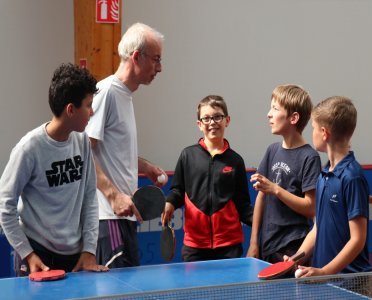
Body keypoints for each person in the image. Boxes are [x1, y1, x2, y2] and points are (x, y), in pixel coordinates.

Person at [0, 63, 108, 275]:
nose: (92, 111)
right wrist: (27, 254)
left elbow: (89, 197)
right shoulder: (28, 149)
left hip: (75, 256)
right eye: (88, 105)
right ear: (70, 110)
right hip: (38, 255)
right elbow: (5, 207)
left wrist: (89, 249)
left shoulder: (82, 141)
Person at [85, 22, 168, 268]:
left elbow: (110, 150)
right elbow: (82, 150)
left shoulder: (125, 96)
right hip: (107, 217)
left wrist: (144, 166)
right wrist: (112, 197)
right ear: (136, 57)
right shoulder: (106, 92)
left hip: (124, 217)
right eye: (156, 59)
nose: (160, 68)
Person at [162, 95, 253, 262]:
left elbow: (243, 204)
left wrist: (262, 222)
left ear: (227, 120)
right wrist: (170, 203)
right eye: (206, 118)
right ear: (199, 124)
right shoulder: (187, 155)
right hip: (195, 247)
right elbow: (178, 190)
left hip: (229, 246)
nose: (212, 122)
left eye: (217, 116)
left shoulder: (235, 161)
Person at [291, 96, 372, 277]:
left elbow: (358, 239)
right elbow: (319, 226)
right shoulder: (324, 174)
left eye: (312, 128)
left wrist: (324, 271)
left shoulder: (352, 177)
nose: (311, 133)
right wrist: (297, 257)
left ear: (324, 133)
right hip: (327, 280)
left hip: (352, 281)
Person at [246, 84, 321, 264]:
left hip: (293, 247)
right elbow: (261, 198)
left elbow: (311, 207)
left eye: (275, 108)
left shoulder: (309, 157)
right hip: (267, 245)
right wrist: (254, 242)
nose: (268, 114)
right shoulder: (272, 151)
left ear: (293, 118)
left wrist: (276, 189)